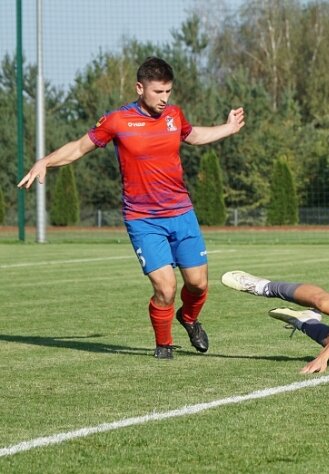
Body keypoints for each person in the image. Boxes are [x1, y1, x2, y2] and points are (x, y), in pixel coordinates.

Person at [18, 57, 245, 358]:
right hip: (143, 220)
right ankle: (163, 345)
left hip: (181, 214)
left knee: (198, 284)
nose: (164, 99)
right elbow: (78, 147)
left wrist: (228, 128)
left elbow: (193, 135)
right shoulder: (117, 120)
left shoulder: (174, 115)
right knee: (166, 288)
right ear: (140, 88)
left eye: (168, 92)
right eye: (158, 92)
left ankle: (188, 319)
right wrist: (45, 161)